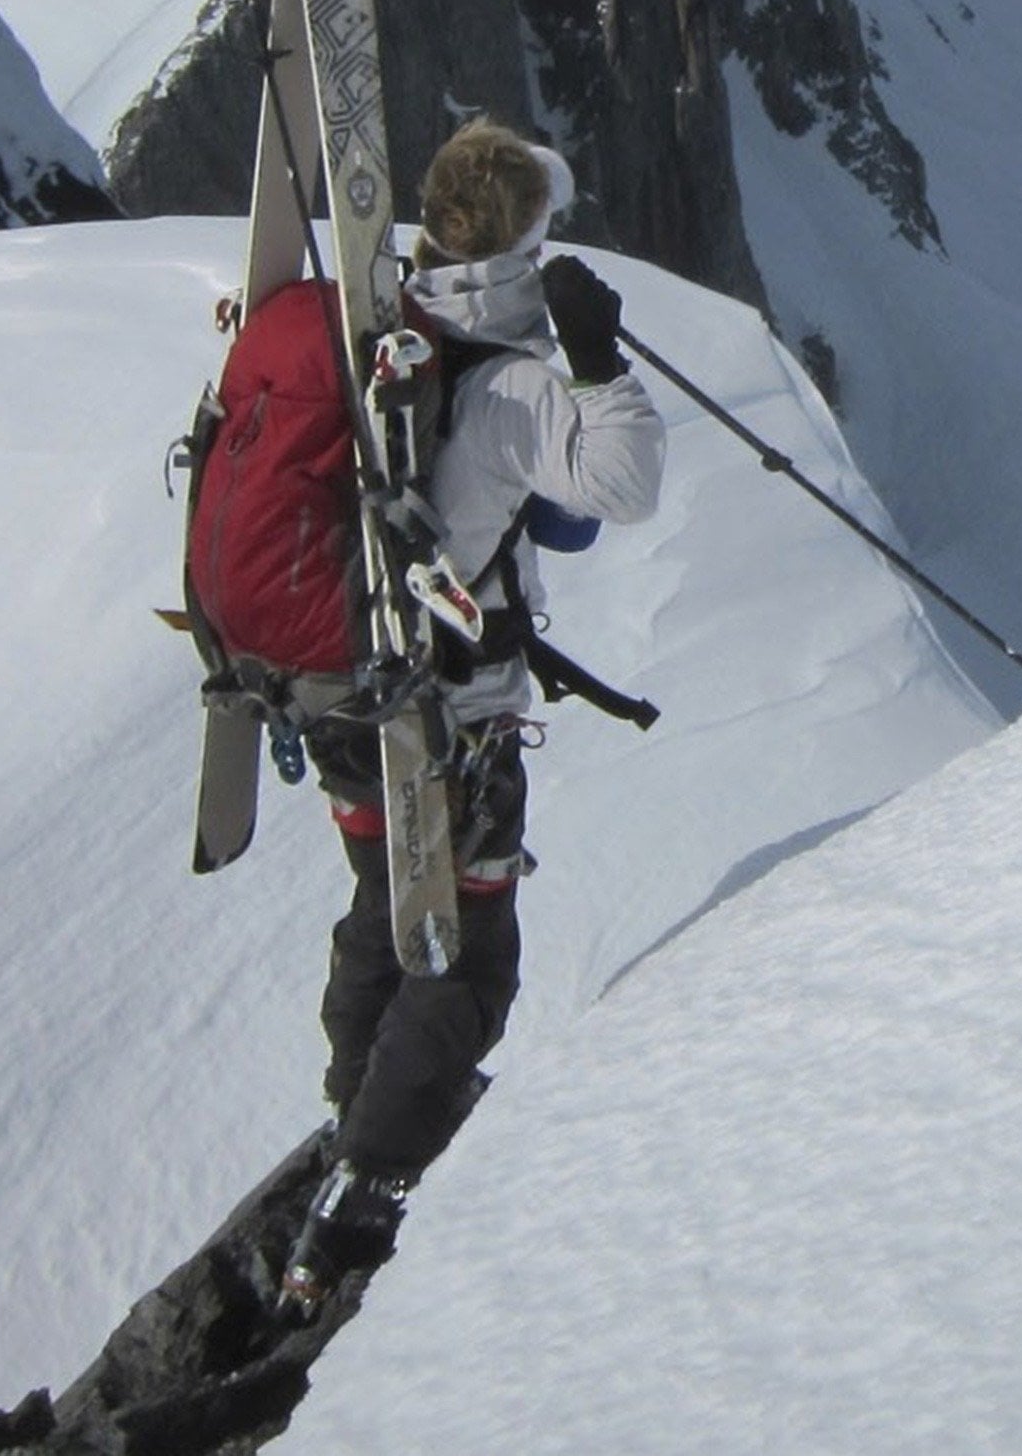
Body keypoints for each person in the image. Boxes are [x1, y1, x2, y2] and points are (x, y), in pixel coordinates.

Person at [282, 116, 665, 1309]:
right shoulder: (504, 385)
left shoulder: (377, 333)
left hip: (337, 691)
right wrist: (598, 361)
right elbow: (622, 483)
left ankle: (361, 1105)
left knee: (384, 902)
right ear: (522, 243)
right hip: (446, 720)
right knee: (465, 952)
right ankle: (372, 1186)